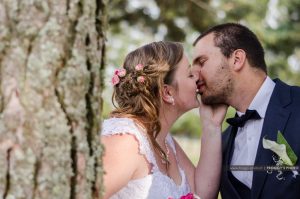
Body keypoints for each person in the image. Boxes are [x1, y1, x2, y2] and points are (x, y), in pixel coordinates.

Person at [101, 41, 227, 199]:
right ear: (167, 92)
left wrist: (212, 125)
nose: (197, 76)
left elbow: (202, 194)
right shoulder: (126, 141)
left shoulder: (164, 139)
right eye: (189, 74)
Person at [192, 23, 300, 199]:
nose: (194, 76)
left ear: (237, 59)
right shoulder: (221, 143)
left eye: (201, 62)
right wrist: (210, 126)